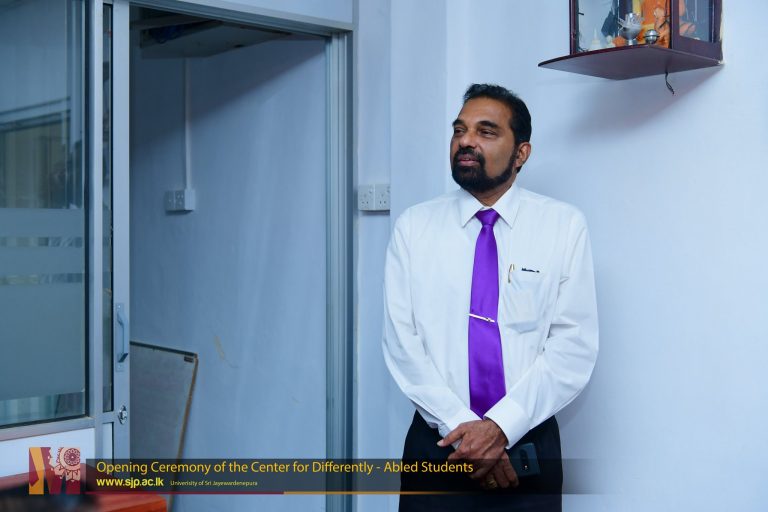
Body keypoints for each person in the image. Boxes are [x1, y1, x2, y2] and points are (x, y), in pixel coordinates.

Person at [382, 84, 599, 511]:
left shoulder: (562, 226)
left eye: (486, 132)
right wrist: (466, 431)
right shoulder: (414, 227)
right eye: (459, 130)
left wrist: (500, 427)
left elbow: (572, 345)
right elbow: (401, 344)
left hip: (527, 445)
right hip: (439, 443)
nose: (466, 141)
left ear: (521, 153)